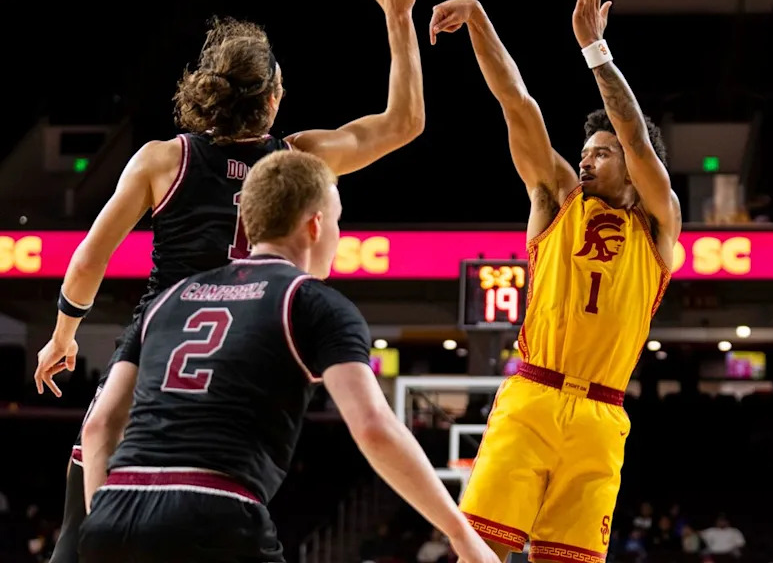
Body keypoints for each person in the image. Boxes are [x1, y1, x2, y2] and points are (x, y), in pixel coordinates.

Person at [37, 0, 425, 563]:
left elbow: (88, 258)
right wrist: (399, 20)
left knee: (92, 469)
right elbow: (404, 122)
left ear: (207, 91)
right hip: (252, 342)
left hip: (163, 340)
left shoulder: (164, 160)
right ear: (273, 97)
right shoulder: (298, 157)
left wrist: (62, 334)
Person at [77, 151, 498, 563]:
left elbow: (98, 426)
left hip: (113, 512)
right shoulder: (311, 301)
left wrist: (105, 528)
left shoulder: (167, 298)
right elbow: (373, 427)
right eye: (337, 220)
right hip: (214, 512)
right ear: (316, 225)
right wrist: (461, 535)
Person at [428, 0, 681, 562]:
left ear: (634, 167)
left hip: (601, 415)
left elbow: (637, 138)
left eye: (602, 152)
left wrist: (595, 49)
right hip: (533, 396)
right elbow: (517, 103)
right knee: (477, 550)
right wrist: (479, 22)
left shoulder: (658, 224)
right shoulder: (556, 197)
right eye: (585, 151)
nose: (587, 160)